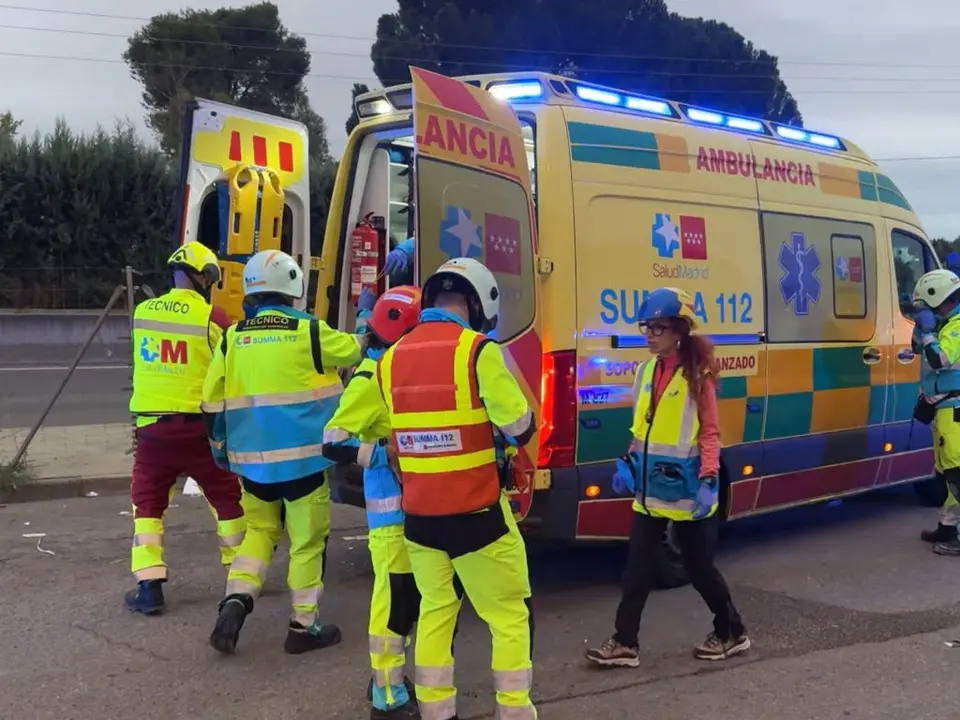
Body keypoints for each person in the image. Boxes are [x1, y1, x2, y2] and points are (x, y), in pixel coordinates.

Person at [327, 257, 538, 720]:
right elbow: (519, 427)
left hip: (419, 521)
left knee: (437, 612)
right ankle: (514, 711)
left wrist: (391, 449)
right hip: (478, 515)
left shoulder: (391, 358)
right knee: (508, 615)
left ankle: (438, 713)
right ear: (476, 304)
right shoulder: (477, 351)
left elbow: (341, 439)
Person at [202, 249, 364, 655]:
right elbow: (353, 351)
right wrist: (368, 323)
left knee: (258, 535)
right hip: (305, 464)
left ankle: (236, 600)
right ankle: (302, 626)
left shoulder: (234, 338)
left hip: (253, 466)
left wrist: (221, 451)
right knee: (307, 543)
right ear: (293, 289)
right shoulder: (310, 331)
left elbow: (210, 400)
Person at [586, 287, 750, 667]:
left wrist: (710, 478)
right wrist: (629, 461)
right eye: (647, 326)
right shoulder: (645, 371)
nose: (650, 334)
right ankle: (625, 642)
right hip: (649, 489)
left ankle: (731, 631)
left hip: (688, 489)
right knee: (637, 565)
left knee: (698, 568)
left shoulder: (698, 375)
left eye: (658, 327)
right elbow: (642, 427)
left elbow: (709, 432)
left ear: (679, 331)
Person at [125, 241, 245, 615]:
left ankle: (149, 586)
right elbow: (232, 368)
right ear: (205, 278)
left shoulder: (143, 313)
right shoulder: (214, 318)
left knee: (147, 504)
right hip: (198, 429)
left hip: (151, 430)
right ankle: (242, 574)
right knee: (226, 497)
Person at [322, 286, 424, 720]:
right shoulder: (371, 377)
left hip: (417, 505)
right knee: (395, 598)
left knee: (411, 597)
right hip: (390, 510)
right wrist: (385, 452)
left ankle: (392, 676)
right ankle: (386, 693)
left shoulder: (397, 366)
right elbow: (333, 442)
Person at [912, 269, 960, 556]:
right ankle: (947, 527)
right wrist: (922, 331)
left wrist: (929, 333)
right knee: (948, 476)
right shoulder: (947, 323)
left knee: (957, 473)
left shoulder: (956, 326)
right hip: (943, 408)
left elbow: (940, 358)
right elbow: (918, 349)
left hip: (955, 410)